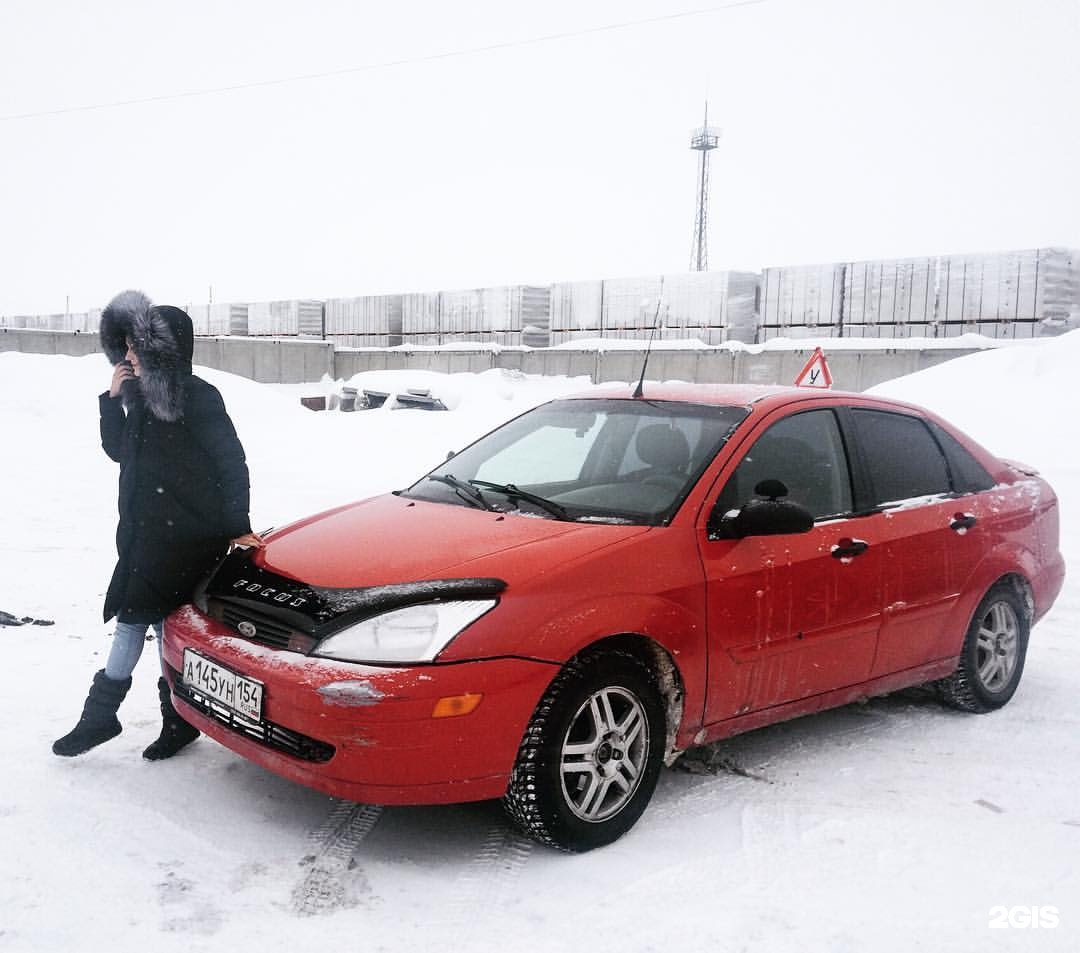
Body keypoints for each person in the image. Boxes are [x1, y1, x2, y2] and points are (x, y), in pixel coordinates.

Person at [53, 290, 263, 760]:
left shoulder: (200, 397)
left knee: (134, 621)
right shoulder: (143, 398)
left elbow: (232, 463)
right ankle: (178, 721)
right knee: (163, 626)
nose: (126, 355)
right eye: (124, 347)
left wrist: (237, 526)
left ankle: (101, 717)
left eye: (134, 347)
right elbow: (120, 453)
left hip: (187, 537)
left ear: (159, 349)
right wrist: (111, 402)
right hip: (146, 534)